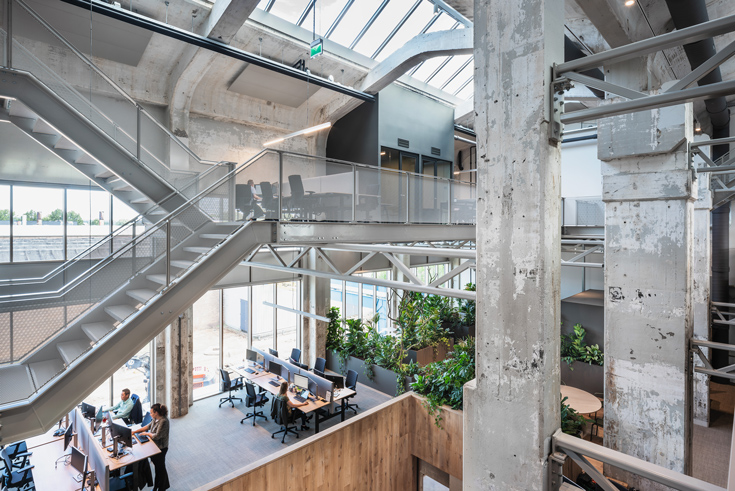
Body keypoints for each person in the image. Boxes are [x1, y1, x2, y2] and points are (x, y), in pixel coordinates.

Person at [133, 403, 170, 491]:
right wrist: (135, 431)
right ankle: (158, 486)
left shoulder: (164, 421)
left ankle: (161, 488)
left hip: (161, 448)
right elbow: (147, 426)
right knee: (159, 468)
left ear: (156, 413)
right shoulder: (155, 419)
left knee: (160, 469)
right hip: (154, 446)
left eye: (151, 413)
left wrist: (146, 434)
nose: (150, 414)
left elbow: (157, 436)